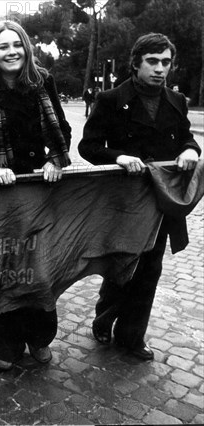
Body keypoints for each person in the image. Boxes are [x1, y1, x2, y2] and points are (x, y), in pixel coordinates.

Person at [0, 21, 72, 371]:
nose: (11, 52)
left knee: (38, 266)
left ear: (26, 48)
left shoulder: (42, 81)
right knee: (1, 270)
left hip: (37, 194)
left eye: (16, 45)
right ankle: (7, 340)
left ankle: (39, 337)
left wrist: (55, 157)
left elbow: (61, 128)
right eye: (3, 47)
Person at [78, 33, 200, 361]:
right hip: (122, 200)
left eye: (165, 62)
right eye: (152, 61)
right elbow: (88, 146)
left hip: (160, 203)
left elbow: (187, 138)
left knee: (150, 269)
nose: (160, 69)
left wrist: (189, 149)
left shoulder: (176, 102)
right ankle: (104, 318)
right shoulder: (111, 99)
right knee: (121, 265)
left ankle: (132, 337)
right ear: (136, 63)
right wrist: (117, 157)